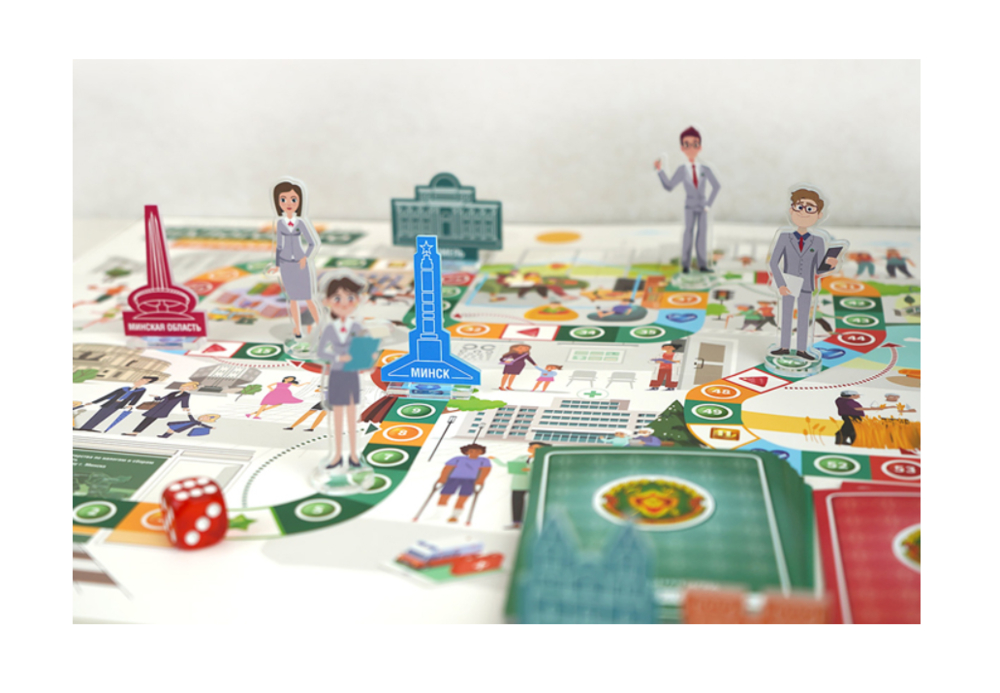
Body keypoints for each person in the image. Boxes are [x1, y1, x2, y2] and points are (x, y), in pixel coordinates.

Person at [768, 188, 840, 360]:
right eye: (799, 207)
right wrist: (781, 284)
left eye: (810, 209)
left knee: (803, 319)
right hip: (788, 284)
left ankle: (802, 349)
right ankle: (784, 347)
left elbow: (818, 270)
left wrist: (831, 265)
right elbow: (773, 263)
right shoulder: (784, 237)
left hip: (806, 286)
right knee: (786, 316)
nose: (803, 213)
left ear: (819, 215)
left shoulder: (818, 241)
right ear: (791, 210)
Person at [318, 273, 374, 469]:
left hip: (352, 374)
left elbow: (365, 347)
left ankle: (353, 455)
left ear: (357, 300)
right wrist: (337, 357)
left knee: (352, 414)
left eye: (350, 298)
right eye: (337, 298)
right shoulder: (329, 329)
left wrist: (369, 357)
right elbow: (321, 351)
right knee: (337, 415)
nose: (344, 303)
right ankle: (336, 455)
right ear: (326, 301)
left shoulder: (357, 326)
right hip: (337, 374)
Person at [654, 126, 721, 273]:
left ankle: (702, 265)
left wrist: (708, 204)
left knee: (702, 234)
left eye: (695, 144)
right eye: (687, 144)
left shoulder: (705, 169)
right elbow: (669, 186)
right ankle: (685, 265)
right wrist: (660, 171)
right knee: (688, 233)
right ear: (682, 148)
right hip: (689, 206)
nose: (691, 148)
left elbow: (716, 186)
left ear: (700, 147)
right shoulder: (682, 170)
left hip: (703, 207)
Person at [269, 179, 320, 339]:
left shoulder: (300, 222)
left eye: (293, 199)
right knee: (293, 299)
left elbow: (312, 243)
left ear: (299, 201)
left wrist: (306, 257)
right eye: (283, 199)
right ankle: (297, 329)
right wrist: (278, 265)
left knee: (308, 297)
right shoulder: (280, 223)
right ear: (278, 202)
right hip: (286, 264)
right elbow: (279, 245)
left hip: (300, 263)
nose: (288, 203)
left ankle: (320, 326)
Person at [493, 441, 550, 529]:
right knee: (517, 503)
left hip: (534, 483)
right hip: (518, 483)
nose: (533, 449)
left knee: (535, 504)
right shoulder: (521, 457)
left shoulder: (544, 459)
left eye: (536, 448)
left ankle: (535, 523)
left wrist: (529, 469)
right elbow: (507, 465)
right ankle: (517, 523)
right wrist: (495, 459)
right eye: (531, 448)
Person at [435, 444, 492, 524]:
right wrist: (443, 478)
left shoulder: (484, 461)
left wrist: (481, 480)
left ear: (481, 452)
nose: (474, 453)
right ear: (466, 452)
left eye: (477, 451)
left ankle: (455, 516)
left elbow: (486, 470)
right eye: (471, 451)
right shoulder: (458, 459)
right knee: (444, 495)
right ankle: (438, 514)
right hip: (453, 479)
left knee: (463, 498)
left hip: (470, 481)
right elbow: (447, 468)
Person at [77, 376, 157, 431]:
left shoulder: (141, 390)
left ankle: (89, 427)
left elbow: (137, 398)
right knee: (98, 414)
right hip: (110, 403)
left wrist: (131, 405)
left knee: (104, 416)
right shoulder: (124, 388)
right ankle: (84, 427)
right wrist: (93, 402)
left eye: (144, 381)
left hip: (118, 404)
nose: (140, 382)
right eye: (141, 380)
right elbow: (109, 395)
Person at [123, 381, 199, 436]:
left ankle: (135, 432)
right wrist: (157, 397)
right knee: (148, 419)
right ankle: (135, 432)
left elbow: (184, 402)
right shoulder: (173, 392)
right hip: (158, 407)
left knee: (149, 419)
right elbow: (162, 399)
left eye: (188, 387)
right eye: (185, 386)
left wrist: (185, 407)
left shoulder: (186, 395)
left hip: (164, 409)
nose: (185, 388)